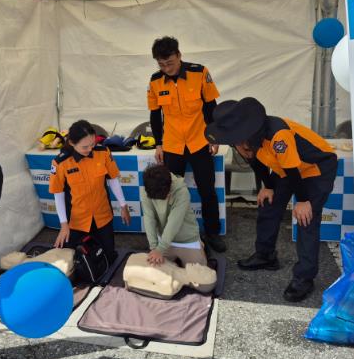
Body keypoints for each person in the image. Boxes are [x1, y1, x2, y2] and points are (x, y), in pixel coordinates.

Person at [206, 97, 338, 302]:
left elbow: (294, 171)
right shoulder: (239, 136)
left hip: (314, 167)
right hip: (285, 167)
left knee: (306, 219)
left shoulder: (278, 135)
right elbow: (255, 161)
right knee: (268, 204)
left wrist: (303, 201)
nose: (235, 143)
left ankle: (304, 277)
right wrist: (268, 186)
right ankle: (265, 256)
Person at [147, 36, 225, 253]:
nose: (166, 68)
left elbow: (211, 107)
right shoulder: (155, 81)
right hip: (172, 145)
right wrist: (159, 144)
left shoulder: (199, 73)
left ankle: (213, 233)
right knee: (170, 192)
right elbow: (155, 115)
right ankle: (172, 234)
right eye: (161, 65)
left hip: (199, 142)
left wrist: (214, 137)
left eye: (170, 63)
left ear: (179, 55)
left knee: (207, 190)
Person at [49, 120, 130, 263]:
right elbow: (58, 194)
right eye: (85, 147)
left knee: (108, 257)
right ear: (72, 143)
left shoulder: (103, 152)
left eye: (92, 144)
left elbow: (113, 179)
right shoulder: (60, 163)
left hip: (102, 216)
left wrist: (123, 205)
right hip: (77, 221)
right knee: (76, 261)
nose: (90, 149)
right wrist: (64, 225)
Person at [141, 164, 208, 267]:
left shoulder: (182, 192)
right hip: (163, 239)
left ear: (170, 185)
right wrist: (154, 248)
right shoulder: (147, 190)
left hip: (186, 239)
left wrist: (160, 249)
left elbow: (174, 223)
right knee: (155, 272)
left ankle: (200, 244)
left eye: (165, 197)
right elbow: (149, 218)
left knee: (201, 275)